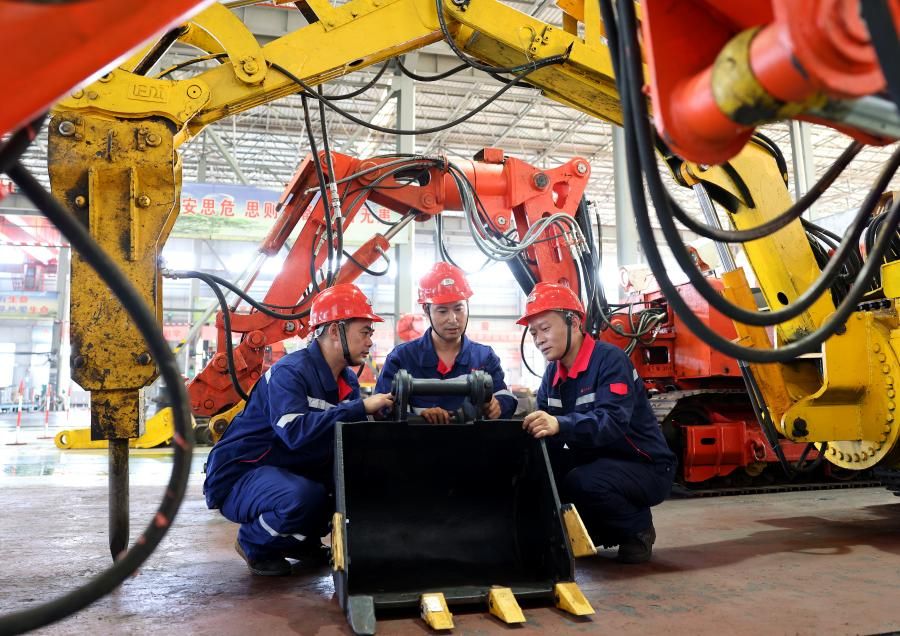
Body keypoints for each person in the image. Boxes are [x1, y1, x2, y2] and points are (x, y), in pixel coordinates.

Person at [203, 283, 394, 576]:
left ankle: (299, 542)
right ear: (335, 331)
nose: (370, 342)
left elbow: (347, 439)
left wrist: (378, 421)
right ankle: (253, 543)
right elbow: (294, 433)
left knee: (348, 487)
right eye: (365, 332)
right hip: (241, 476)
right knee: (302, 498)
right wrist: (360, 408)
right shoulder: (290, 373)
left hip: (287, 469)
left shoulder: (347, 381)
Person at [518, 282, 675, 563]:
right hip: (597, 461)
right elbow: (546, 433)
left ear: (574, 322)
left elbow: (612, 422)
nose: (539, 339)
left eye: (545, 328)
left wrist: (560, 424)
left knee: (584, 481)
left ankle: (637, 529)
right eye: (533, 333)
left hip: (645, 466)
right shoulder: (552, 375)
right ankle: (589, 531)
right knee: (540, 469)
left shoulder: (610, 361)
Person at [375, 262, 517, 422]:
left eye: (458, 309)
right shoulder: (402, 357)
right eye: (442, 311)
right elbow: (381, 410)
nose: (453, 319)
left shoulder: (484, 357)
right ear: (426, 310)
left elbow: (505, 396)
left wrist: (498, 406)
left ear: (467, 305)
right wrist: (418, 418)